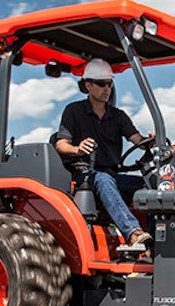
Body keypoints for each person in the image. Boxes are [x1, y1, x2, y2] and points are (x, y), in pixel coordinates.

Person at [54, 58, 153, 249]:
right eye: (101, 84)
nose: (106, 88)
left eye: (109, 83)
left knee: (150, 186)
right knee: (102, 179)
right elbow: (61, 145)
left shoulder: (118, 116)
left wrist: (150, 141)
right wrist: (77, 149)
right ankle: (133, 232)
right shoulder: (74, 111)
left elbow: (137, 140)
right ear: (88, 85)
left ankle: (154, 245)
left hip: (112, 174)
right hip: (83, 172)